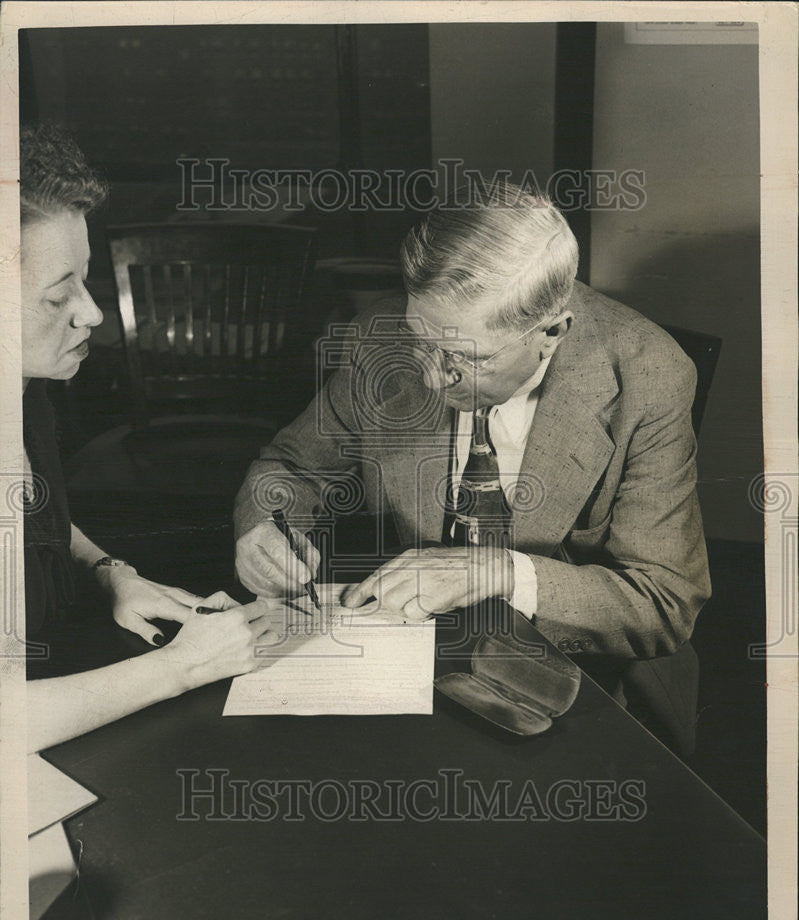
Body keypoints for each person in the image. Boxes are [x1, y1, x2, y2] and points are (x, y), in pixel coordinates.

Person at [234, 181, 712, 755]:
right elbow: (291, 466)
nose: (433, 377)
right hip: (413, 656)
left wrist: (496, 574)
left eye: (466, 358)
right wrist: (264, 525)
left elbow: (662, 602)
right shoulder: (377, 337)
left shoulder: (648, 378)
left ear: (550, 334)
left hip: (583, 677)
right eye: (423, 341)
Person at [19, 123, 273, 753]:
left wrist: (109, 572)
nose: (92, 312)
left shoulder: (22, 394)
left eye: (84, 278)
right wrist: (183, 667)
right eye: (58, 298)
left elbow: (32, 513)